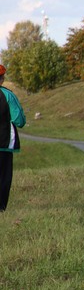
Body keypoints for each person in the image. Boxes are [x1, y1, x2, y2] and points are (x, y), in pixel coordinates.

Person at [0, 64, 25, 212]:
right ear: (2, 79)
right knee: (3, 177)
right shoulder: (8, 95)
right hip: (4, 144)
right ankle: (1, 209)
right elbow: (19, 121)